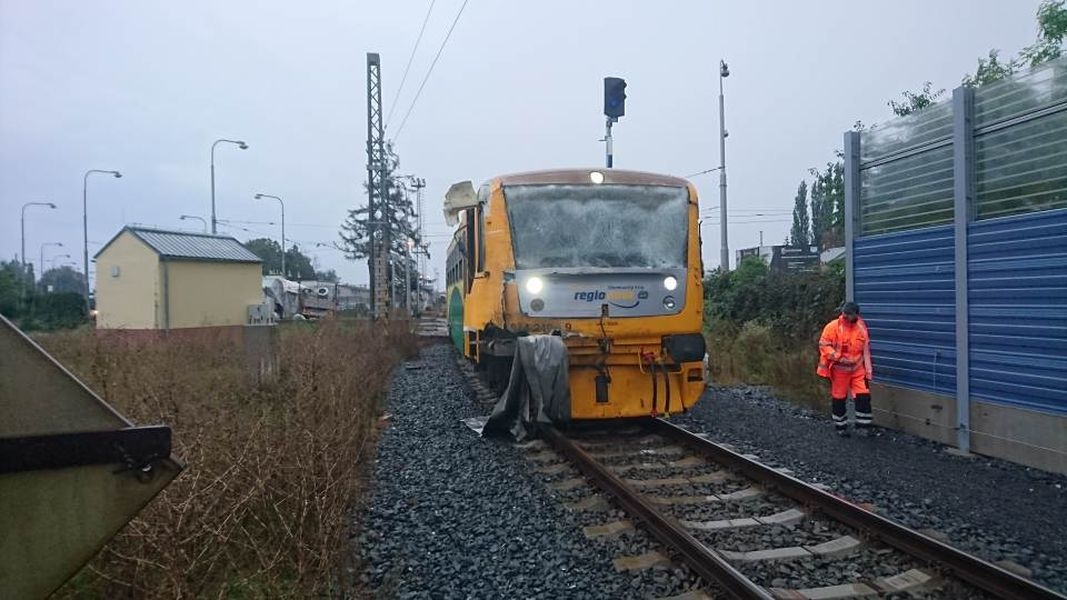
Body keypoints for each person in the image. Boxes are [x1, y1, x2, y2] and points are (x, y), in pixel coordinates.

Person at [817, 301, 873, 437]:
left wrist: (868, 369)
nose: (845, 316)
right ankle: (840, 426)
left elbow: (865, 349)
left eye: (849, 314)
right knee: (839, 398)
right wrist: (837, 357)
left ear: (856, 315)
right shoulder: (833, 327)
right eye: (844, 313)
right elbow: (824, 345)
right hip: (839, 370)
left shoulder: (861, 326)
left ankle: (863, 427)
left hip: (857, 368)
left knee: (863, 396)